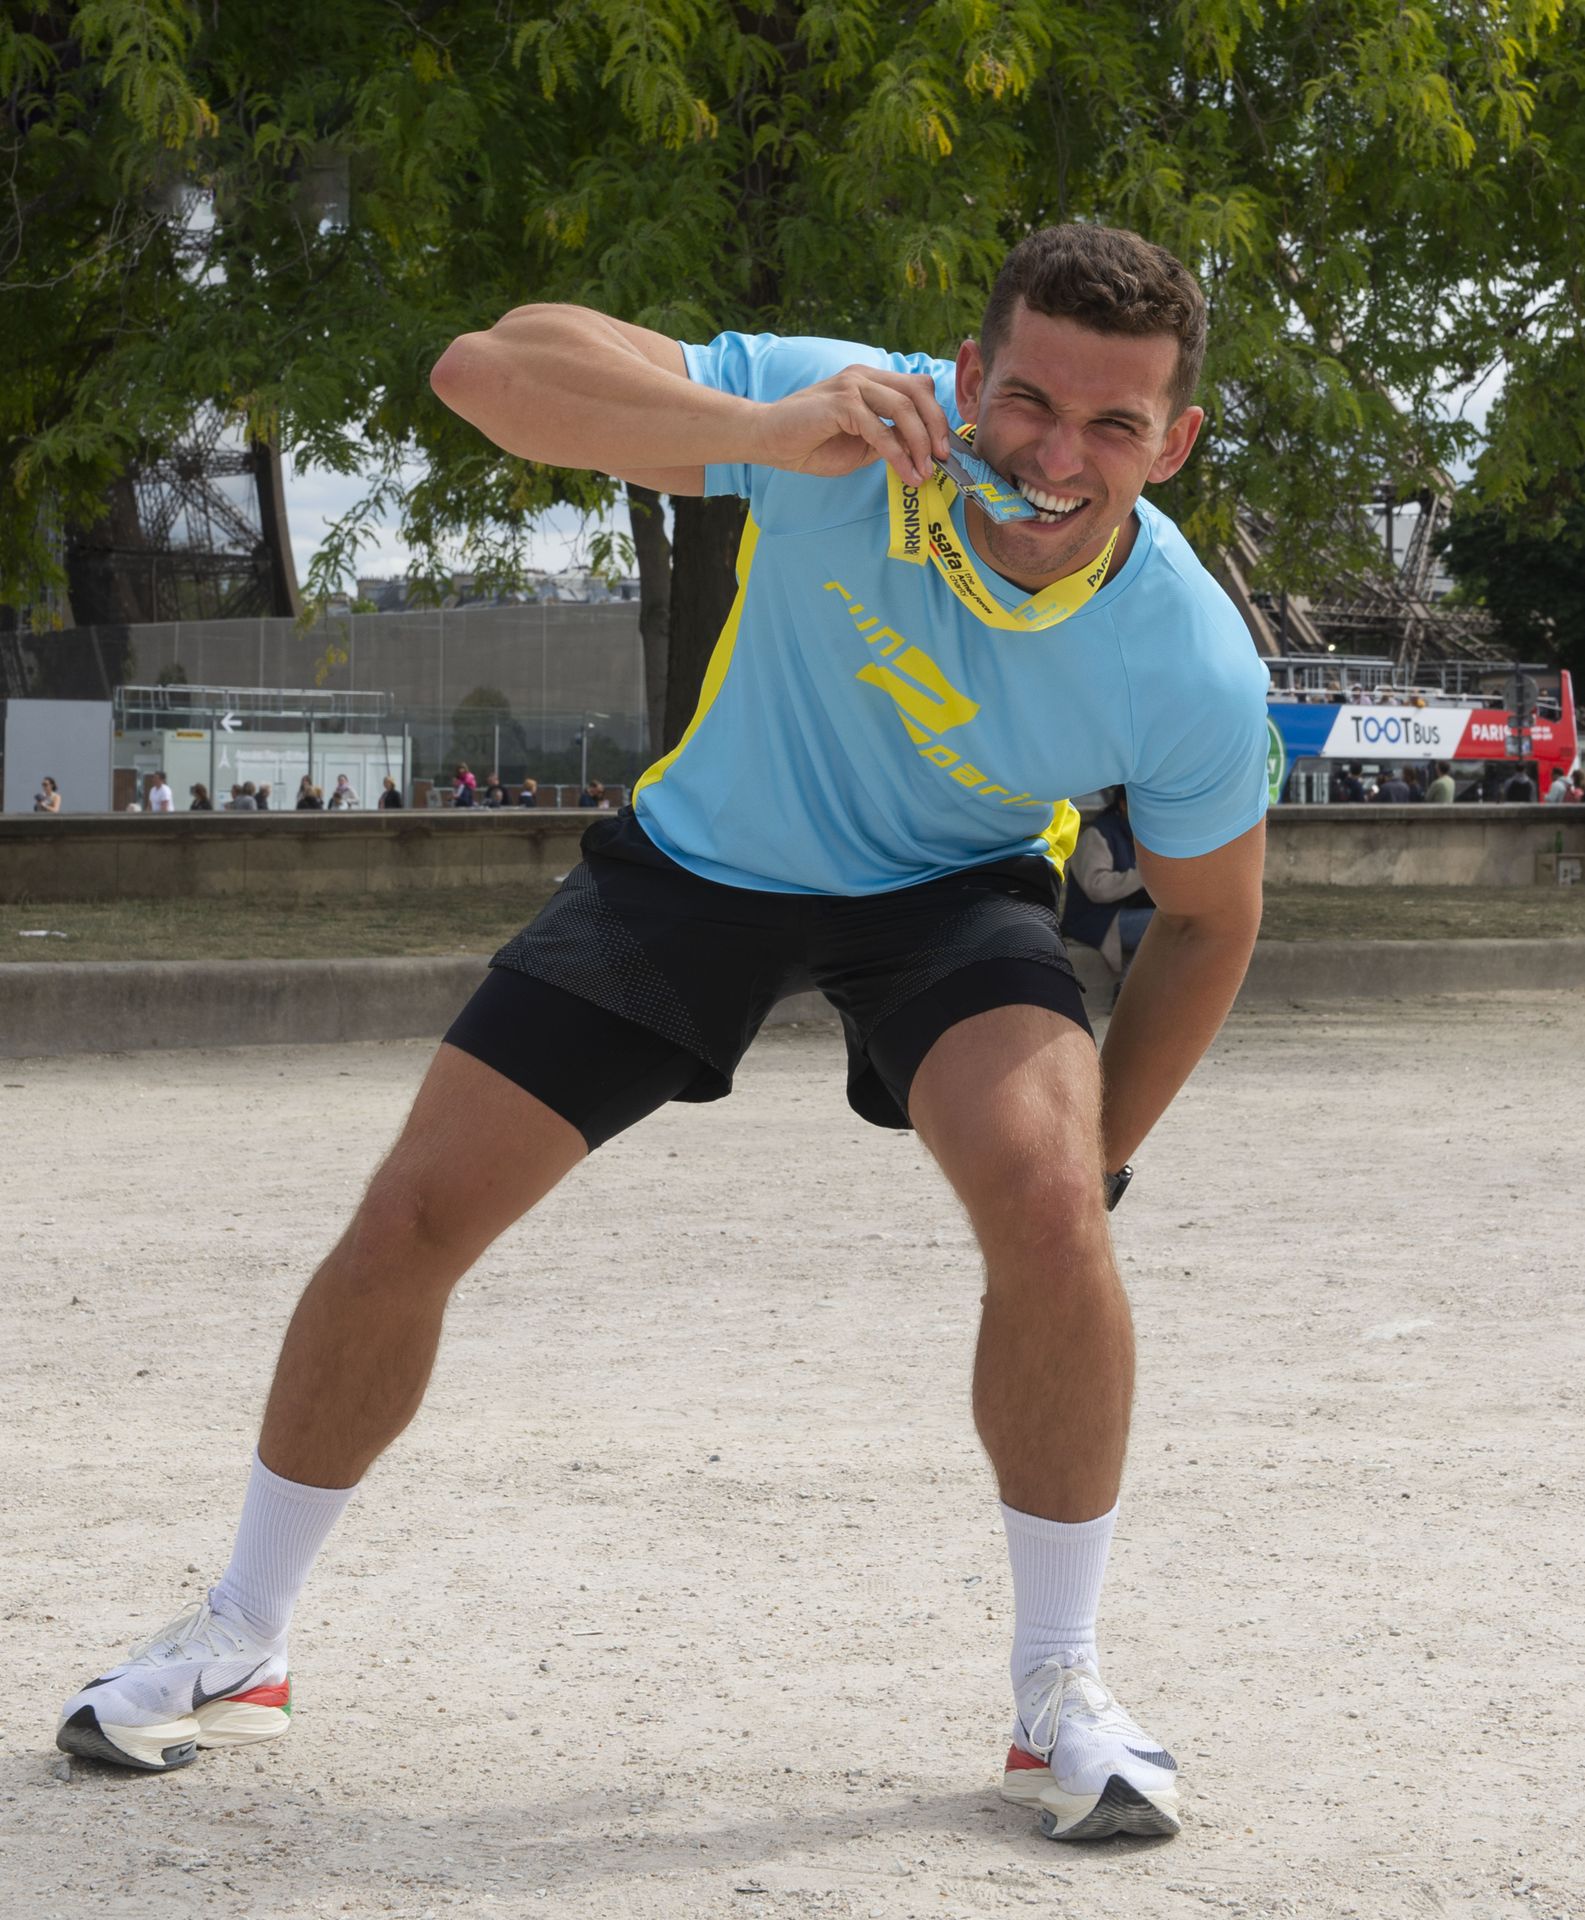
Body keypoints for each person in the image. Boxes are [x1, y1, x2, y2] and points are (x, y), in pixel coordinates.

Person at [59, 222, 1271, 1845]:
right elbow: (484, 372)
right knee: (412, 1214)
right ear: (966, 375)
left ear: (1170, 445)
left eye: (1112, 424)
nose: (1057, 456)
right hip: (701, 865)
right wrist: (761, 435)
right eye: (1029, 402)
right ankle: (242, 1633)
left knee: (1056, 1215)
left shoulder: (1187, 655)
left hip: (949, 893)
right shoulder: (846, 416)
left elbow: (1207, 922)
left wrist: (1102, 1164)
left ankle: (1061, 1686)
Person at [1058, 790, 1154, 993]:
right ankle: (1128, 990)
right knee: (1157, 924)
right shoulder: (1099, 834)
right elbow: (1097, 888)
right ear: (1123, 805)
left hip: (1127, 913)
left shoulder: (1145, 835)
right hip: (1095, 920)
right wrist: (1145, 874)